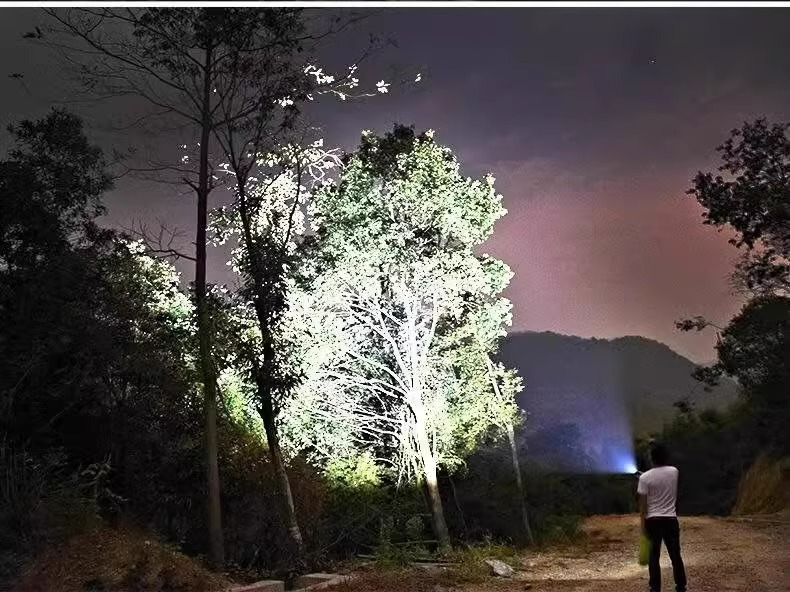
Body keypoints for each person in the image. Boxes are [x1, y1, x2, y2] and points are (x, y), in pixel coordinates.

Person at [637, 442, 687, 592]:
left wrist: (642, 527)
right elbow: (662, 479)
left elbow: (643, 507)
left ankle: (655, 588)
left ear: (651, 458)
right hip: (670, 519)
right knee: (675, 555)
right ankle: (681, 586)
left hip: (652, 521)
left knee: (653, 557)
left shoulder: (644, 478)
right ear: (665, 456)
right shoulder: (674, 471)